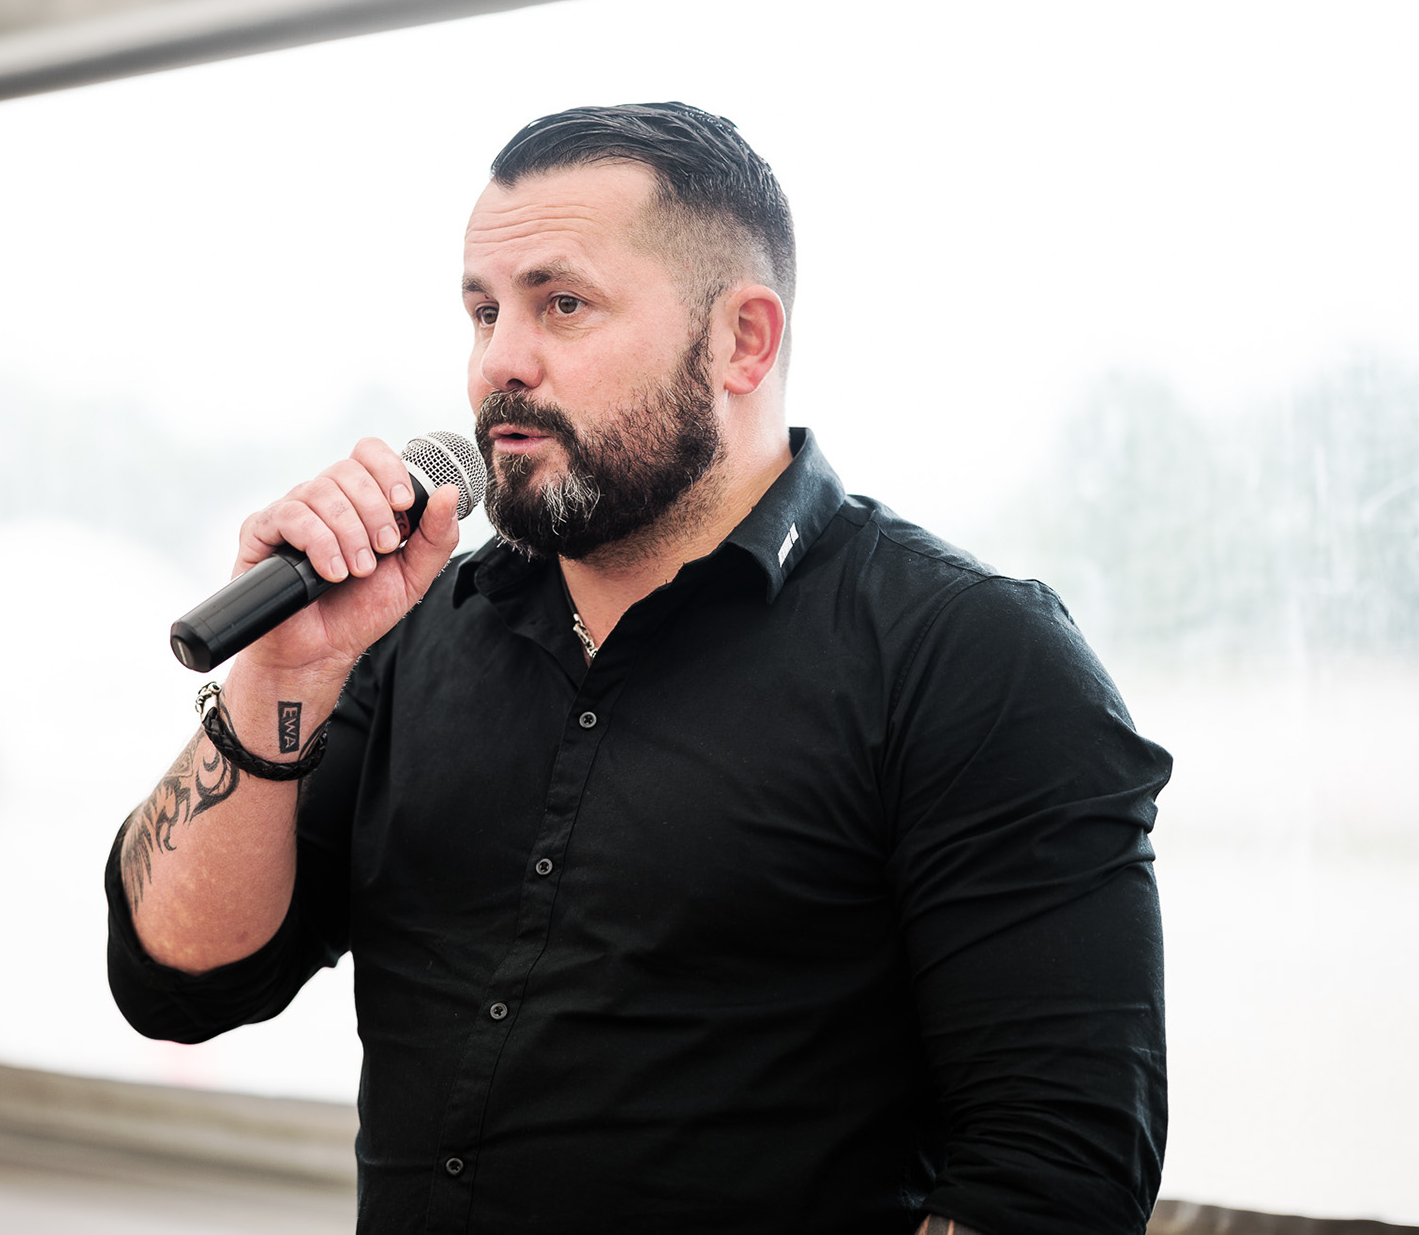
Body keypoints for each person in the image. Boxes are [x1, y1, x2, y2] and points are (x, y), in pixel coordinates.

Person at [106, 103, 1171, 1235]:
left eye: (561, 304)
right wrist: (278, 681)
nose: (499, 362)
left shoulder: (972, 659)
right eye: (483, 311)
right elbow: (178, 982)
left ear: (743, 342)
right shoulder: (405, 635)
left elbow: (1054, 1174)